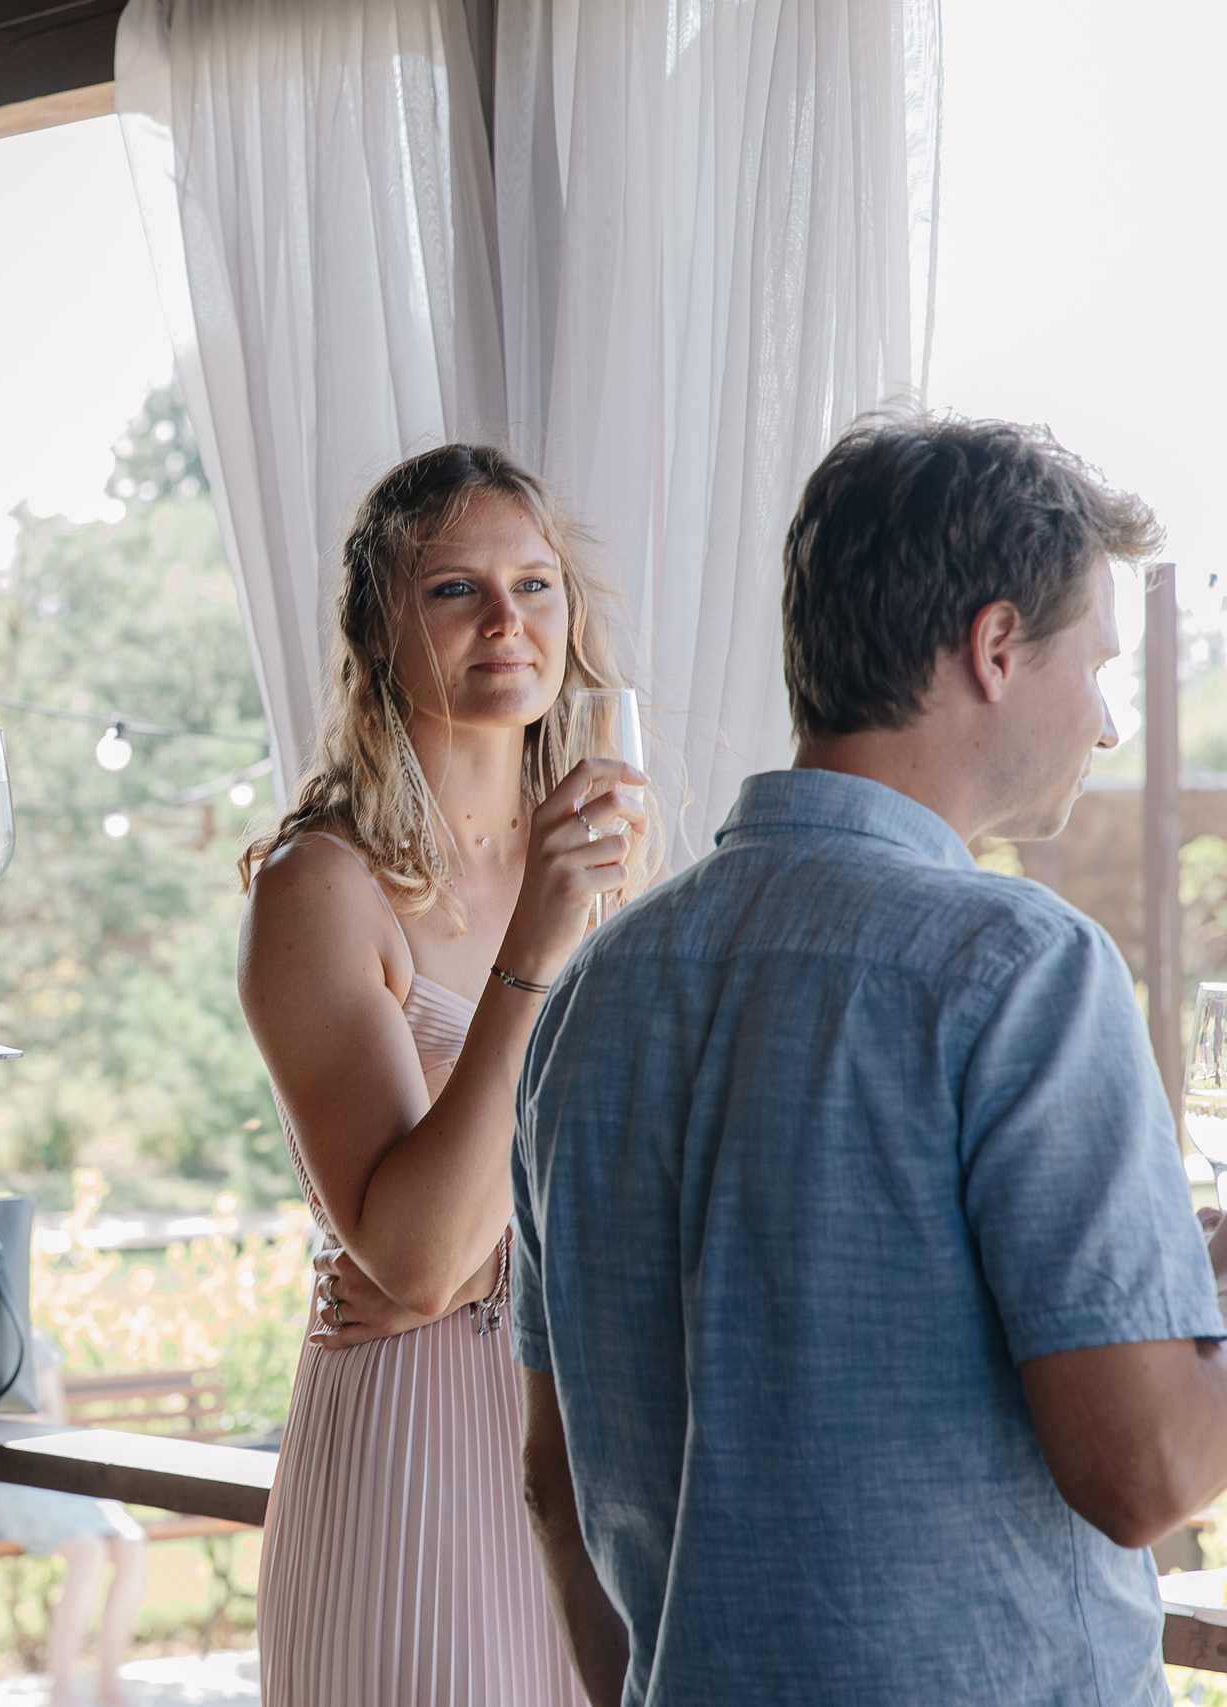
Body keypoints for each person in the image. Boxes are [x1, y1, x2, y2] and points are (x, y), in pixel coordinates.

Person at [512, 415, 1227, 1706]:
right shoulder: (1019, 963)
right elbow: (1146, 1473)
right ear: (996, 645)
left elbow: (553, 1483)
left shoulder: (591, 992)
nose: (1112, 725)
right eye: (1099, 666)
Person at [237, 444, 647, 1707]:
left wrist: (482, 1255)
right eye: (455, 590)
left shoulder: (611, 848)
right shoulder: (318, 887)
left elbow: (641, 1174)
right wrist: (536, 942)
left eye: (533, 584)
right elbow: (411, 1256)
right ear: (377, 625)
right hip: (417, 1445)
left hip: (594, 1439)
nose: (506, 621)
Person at [0, 1331, 149, 1707]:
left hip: (44, 1472)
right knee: (88, 1551)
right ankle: (62, 1693)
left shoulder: (31, 1339)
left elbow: (55, 1418)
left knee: (131, 1543)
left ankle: (109, 1686)